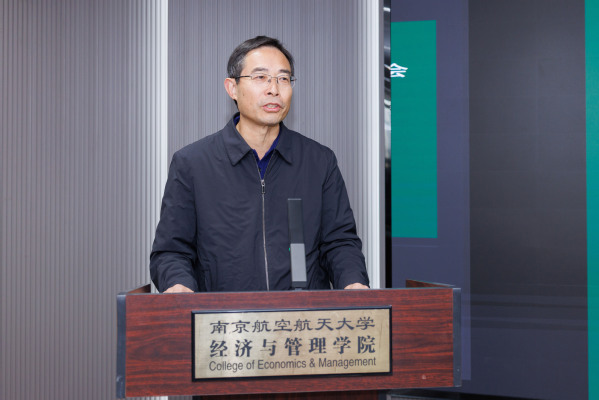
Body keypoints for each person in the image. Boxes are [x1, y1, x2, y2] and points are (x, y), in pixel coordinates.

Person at [150, 36, 369, 293]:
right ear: (232, 88)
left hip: (301, 314)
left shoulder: (319, 161)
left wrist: (353, 283)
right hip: (224, 314)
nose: (273, 89)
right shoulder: (192, 164)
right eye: (261, 77)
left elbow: (340, 243)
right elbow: (172, 251)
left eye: (283, 79)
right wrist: (179, 287)